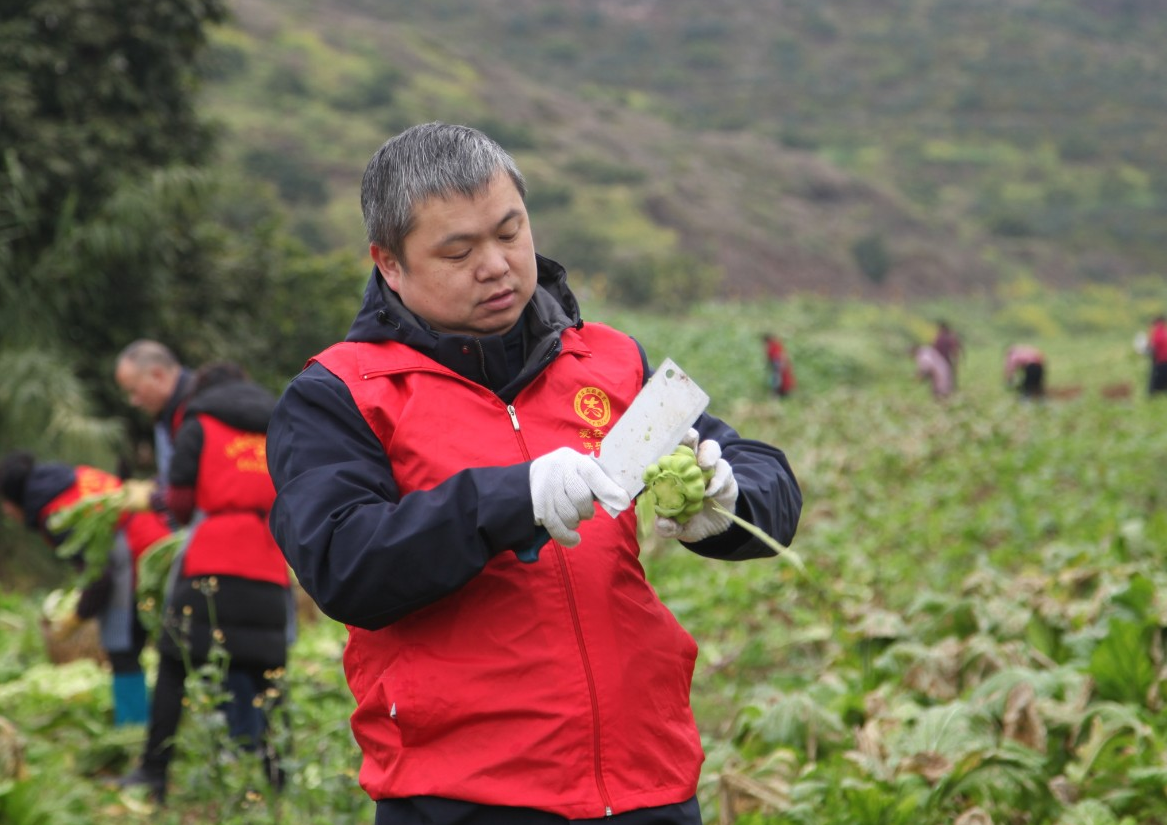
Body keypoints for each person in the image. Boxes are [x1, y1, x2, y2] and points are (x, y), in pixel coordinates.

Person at [265, 122, 803, 824]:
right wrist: (510, 499)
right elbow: (343, 562)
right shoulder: (343, 393)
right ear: (389, 263)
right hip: (465, 796)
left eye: (509, 232)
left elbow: (763, 474)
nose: (495, 265)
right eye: (457, 251)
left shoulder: (609, 363)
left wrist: (731, 497)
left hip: (648, 781)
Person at [117, 360, 294, 803]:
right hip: (268, 560)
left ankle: (153, 774)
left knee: (174, 665)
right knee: (269, 675)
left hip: (212, 556)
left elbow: (179, 501)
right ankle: (281, 782)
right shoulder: (279, 423)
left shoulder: (199, 422)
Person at [0, 452, 171, 726]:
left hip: (138, 558)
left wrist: (77, 617)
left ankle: (134, 725)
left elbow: (100, 574)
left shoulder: (57, 516)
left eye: (4, 501)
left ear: (16, 496)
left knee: (124, 650)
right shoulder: (74, 477)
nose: (5, 511)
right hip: (160, 539)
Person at [113, 340, 193, 505]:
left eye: (134, 390)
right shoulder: (166, 412)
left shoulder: (196, 410)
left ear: (158, 375)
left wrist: (159, 498)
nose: (133, 401)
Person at [1145, 315, 1167, 398]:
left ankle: (1152, 397)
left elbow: (1153, 345)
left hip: (1160, 360)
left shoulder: (1158, 332)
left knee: (1156, 381)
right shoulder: (1166, 331)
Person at [762, 333, 796, 399]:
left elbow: (774, 356)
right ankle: (780, 392)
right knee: (779, 378)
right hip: (778, 362)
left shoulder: (772, 345)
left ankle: (776, 394)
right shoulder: (775, 344)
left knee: (776, 378)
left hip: (777, 363)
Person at [933, 320, 963, 389]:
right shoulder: (949, 337)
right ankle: (950, 389)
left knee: (940, 377)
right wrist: (957, 361)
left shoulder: (939, 337)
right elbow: (955, 350)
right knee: (949, 376)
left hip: (940, 360)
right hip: (946, 360)